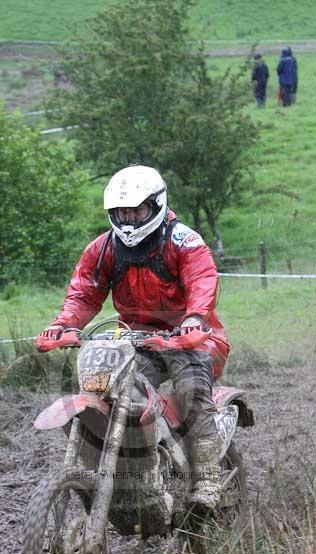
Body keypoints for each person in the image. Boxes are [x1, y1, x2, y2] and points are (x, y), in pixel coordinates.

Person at [37, 165, 230, 511]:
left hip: (192, 337)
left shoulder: (182, 241)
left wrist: (194, 318)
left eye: (135, 211)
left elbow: (203, 279)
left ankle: (207, 480)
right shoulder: (103, 248)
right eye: (121, 212)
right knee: (109, 389)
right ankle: (135, 470)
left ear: (155, 206)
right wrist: (64, 324)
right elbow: (84, 293)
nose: (127, 220)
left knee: (190, 392)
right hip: (136, 339)